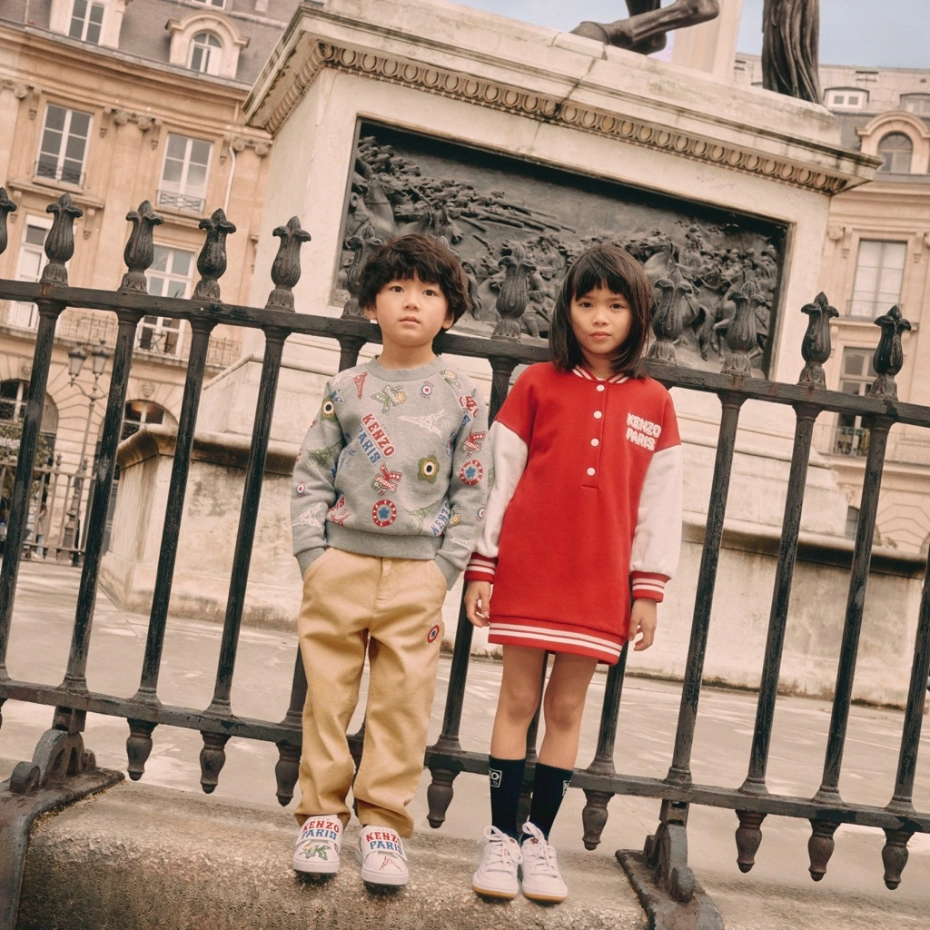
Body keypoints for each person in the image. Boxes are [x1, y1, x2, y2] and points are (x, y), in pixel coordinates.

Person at [464, 245, 682, 903]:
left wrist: (648, 589)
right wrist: (484, 563)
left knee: (565, 708)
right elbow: (498, 479)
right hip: (530, 568)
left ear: (637, 315)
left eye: (615, 306)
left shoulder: (657, 402)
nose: (599, 318)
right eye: (586, 303)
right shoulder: (534, 382)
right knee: (518, 701)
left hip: (599, 581)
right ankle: (501, 838)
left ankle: (538, 837)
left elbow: (659, 503)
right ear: (567, 309)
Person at [290, 234, 489, 887]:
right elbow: (312, 474)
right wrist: (312, 557)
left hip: (417, 577)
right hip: (340, 565)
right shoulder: (346, 387)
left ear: (450, 313)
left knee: (404, 702)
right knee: (328, 698)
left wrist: (444, 569)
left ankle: (382, 824)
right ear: (372, 303)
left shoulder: (461, 394)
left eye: (429, 292)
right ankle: (321, 816)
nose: (412, 302)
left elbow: (471, 488)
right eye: (398, 288)